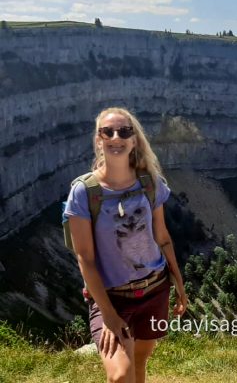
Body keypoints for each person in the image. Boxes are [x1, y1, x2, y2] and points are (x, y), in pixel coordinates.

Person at [64, 107, 187, 383]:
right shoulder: (84, 193)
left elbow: (163, 238)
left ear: (134, 140)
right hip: (112, 297)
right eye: (107, 132)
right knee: (120, 376)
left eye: (124, 131)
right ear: (99, 139)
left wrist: (179, 283)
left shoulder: (150, 183)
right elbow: (85, 258)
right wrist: (108, 315)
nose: (115, 137)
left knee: (140, 363)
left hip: (155, 288)